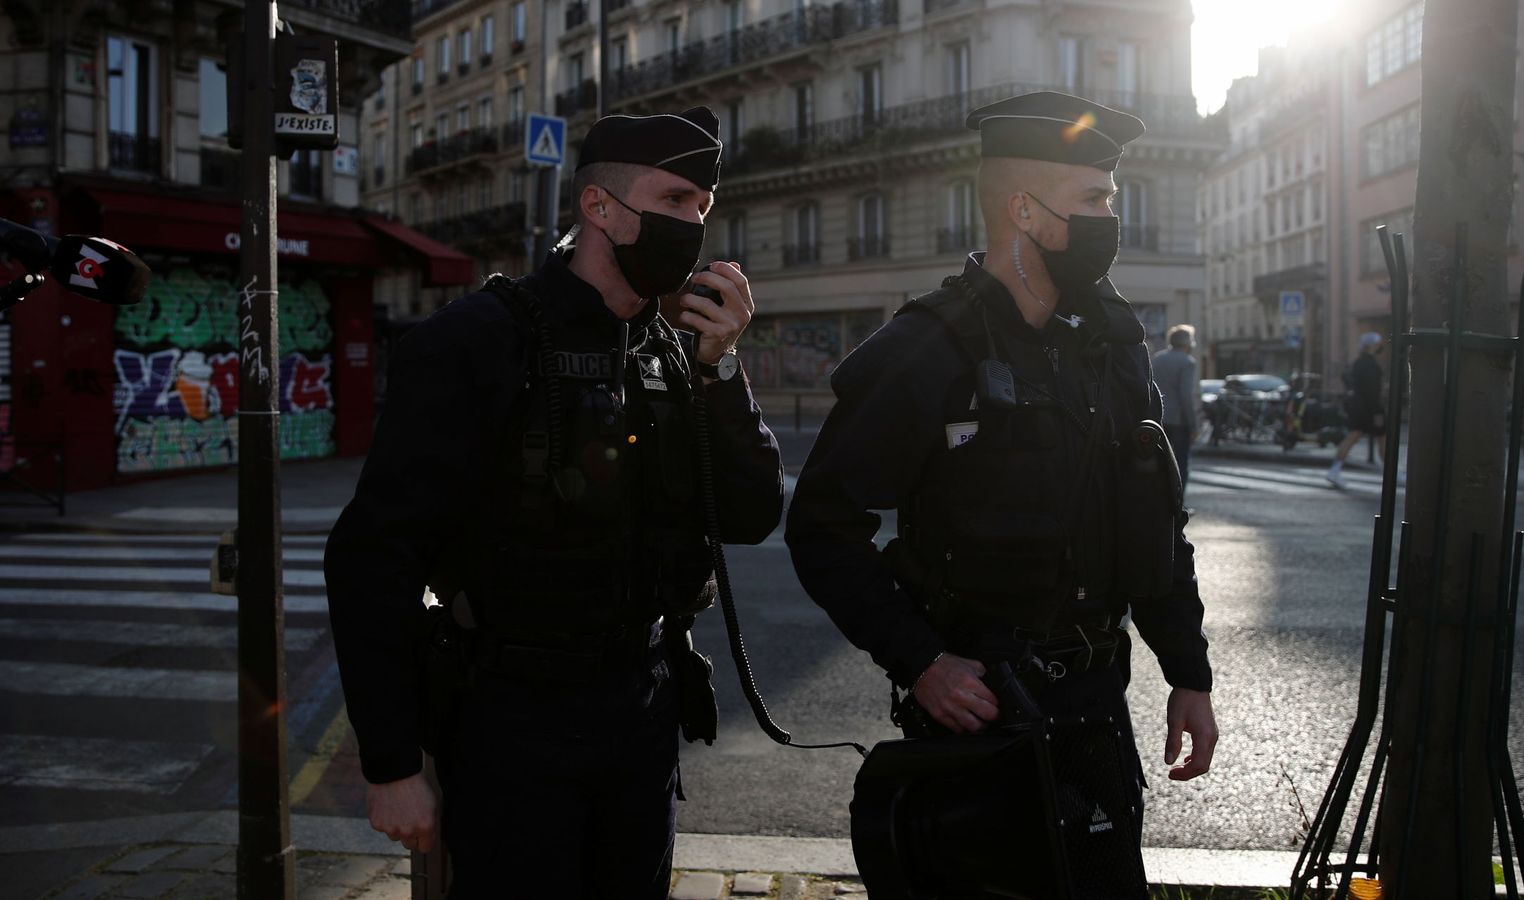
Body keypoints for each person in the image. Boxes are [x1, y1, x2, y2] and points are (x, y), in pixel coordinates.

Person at [323, 107, 783, 898]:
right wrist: (392, 763)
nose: (692, 225)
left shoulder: (674, 354)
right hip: (510, 722)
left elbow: (747, 515)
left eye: (702, 209)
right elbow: (373, 560)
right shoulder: (475, 342)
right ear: (599, 207)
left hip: (640, 713)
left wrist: (721, 372)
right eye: (673, 201)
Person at [785, 91, 1217, 893]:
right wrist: (921, 661)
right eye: (1093, 202)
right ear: (1024, 210)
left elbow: (1155, 524)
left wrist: (1188, 672)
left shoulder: (1113, 347)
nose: (1108, 221)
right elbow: (822, 527)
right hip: (977, 718)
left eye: (1111, 202)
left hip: (1094, 711)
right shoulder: (928, 347)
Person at [1326, 331, 1387, 489]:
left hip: (1357, 406)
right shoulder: (1371, 365)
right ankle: (1391, 472)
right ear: (1371, 345)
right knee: (1380, 438)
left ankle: (1335, 469)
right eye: (1378, 343)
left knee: (1356, 436)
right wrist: (1377, 411)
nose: (1381, 346)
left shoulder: (1358, 363)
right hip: (1369, 408)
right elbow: (1372, 391)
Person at [1151, 323, 1199, 491]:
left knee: (1159, 463)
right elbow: (1185, 396)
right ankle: (1178, 504)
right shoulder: (1187, 362)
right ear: (1188, 343)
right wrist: (1193, 425)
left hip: (1158, 419)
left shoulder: (1157, 358)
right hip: (1179, 421)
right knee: (1179, 464)